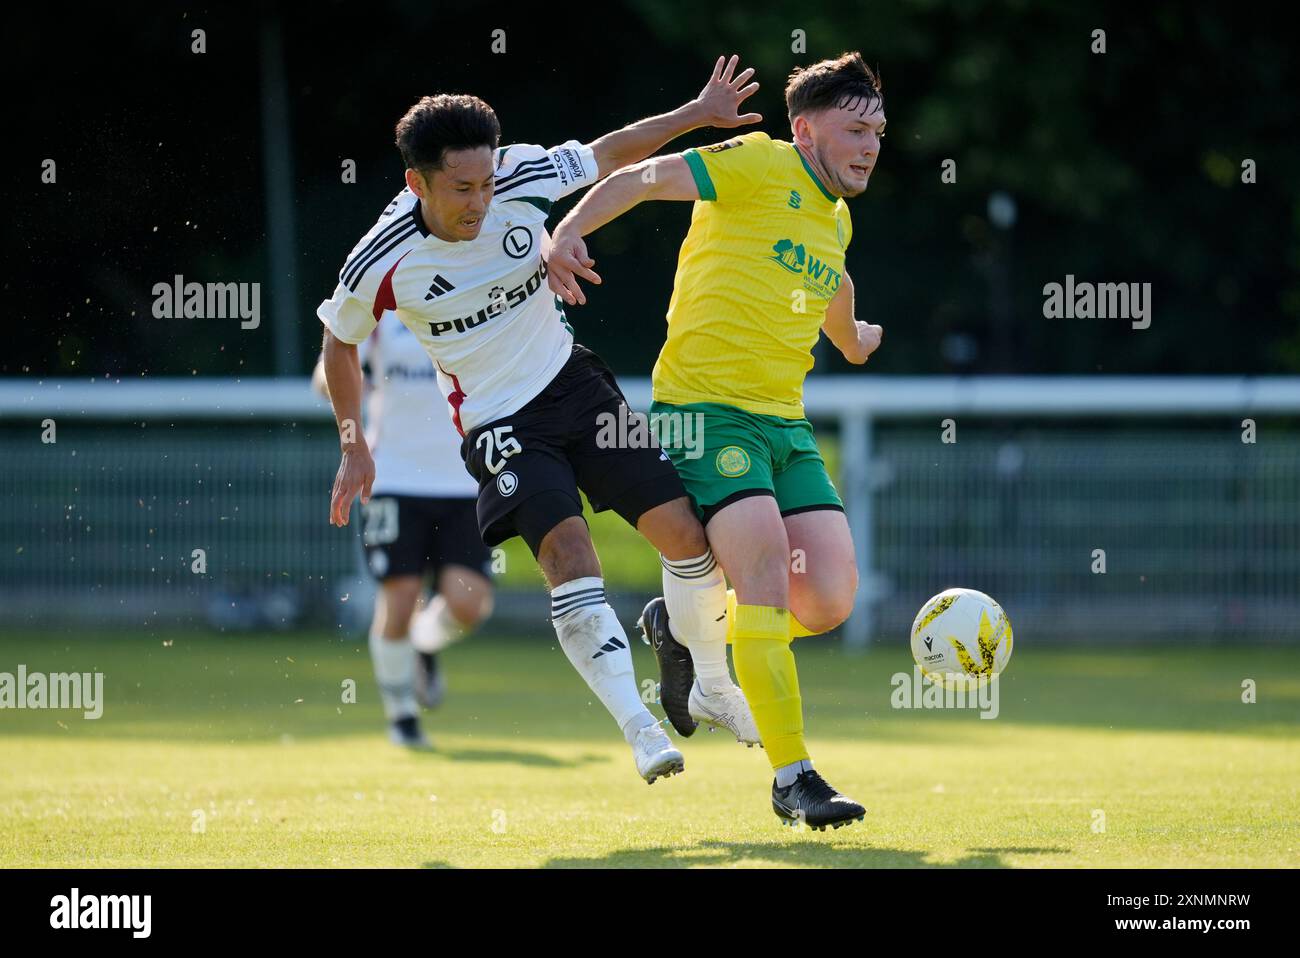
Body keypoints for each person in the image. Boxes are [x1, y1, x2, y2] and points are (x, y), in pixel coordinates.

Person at [318, 58, 761, 784]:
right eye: (463, 188)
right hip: (497, 421)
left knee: (685, 532)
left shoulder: (520, 178)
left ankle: (711, 682)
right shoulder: (381, 258)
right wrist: (352, 442)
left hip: (575, 385)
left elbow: (610, 152)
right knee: (568, 554)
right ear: (416, 184)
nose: (481, 200)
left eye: (488, 182)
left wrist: (694, 112)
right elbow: (339, 339)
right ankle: (640, 726)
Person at [546, 52, 886, 828]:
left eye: (879, 131)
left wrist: (858, 339)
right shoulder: (758, 163)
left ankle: (689, 627)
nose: (870, 144)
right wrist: (561, 236)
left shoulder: (835, 217)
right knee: (763, 563)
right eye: (854, 128)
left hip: (782, 421)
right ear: (804, 129)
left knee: (829, 597)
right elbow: (639, 179)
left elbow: (832, 288)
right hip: (703, 409)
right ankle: (793, 776)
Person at [312, 312, 493, 747]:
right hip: (391, 476)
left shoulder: (473, 287)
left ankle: (424, 644)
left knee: (469, 603)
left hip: (463, 479)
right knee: (399, 597)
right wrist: (348, 389)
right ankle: (403, 718)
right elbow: (327, 370)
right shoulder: (379, 299)